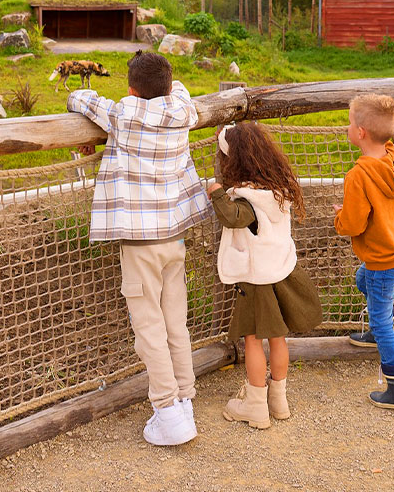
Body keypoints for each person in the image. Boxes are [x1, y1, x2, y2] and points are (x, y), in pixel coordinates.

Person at [67, 51, 211, 446]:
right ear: (167, 86)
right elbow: (178, 90)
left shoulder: (123, 116)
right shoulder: (183, 110)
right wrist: (165, 87)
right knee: (175, 325)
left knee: (148, 327)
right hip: (174, 237)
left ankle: (167, 411)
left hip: (140, 240)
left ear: (131, 90)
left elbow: (81, 100)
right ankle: (185, 400)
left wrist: (99, 98)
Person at [208, 122, 322, 429]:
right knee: (277, 338)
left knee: (254, 340)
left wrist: (217, 194)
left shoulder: (247, 200)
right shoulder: (277, 191)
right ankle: (279, 401)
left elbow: (233, 218)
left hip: (257, 281)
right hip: (280, 272)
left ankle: (256, 406)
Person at [333, 94, 394, 410]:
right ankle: (376, 330)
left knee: (382, 320)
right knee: (363, 281)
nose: (348, 126)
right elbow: (375, 206)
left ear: (361, 133)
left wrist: (340, 216)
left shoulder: (358, 175)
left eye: (350, 122)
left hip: (384, 256)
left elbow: (353, 224)